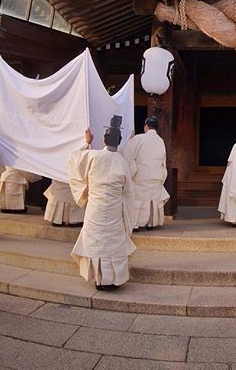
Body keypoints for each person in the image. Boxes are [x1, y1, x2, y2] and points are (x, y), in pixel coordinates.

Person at [68, 116, 135, 290]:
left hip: (95, 209)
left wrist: (87, 142)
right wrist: (128, 219)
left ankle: (99, 279)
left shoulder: (93, 156)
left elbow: (74, 159)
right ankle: (113, 279)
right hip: (113, 211)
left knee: (96, 243)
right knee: (113, 245)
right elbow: (128, 194)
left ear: (104, 139)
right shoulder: (123, 163)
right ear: (119, 142)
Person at [123, 115, 169, 230]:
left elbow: (129, 157)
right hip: (156, 176)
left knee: (138, 200)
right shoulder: (161, 141)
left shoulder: (139, 139)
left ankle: (135, 224)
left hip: (141, 176)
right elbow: (163, 162)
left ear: (146, 126)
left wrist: (132, 172)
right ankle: (151, 223)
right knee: (153, 200)